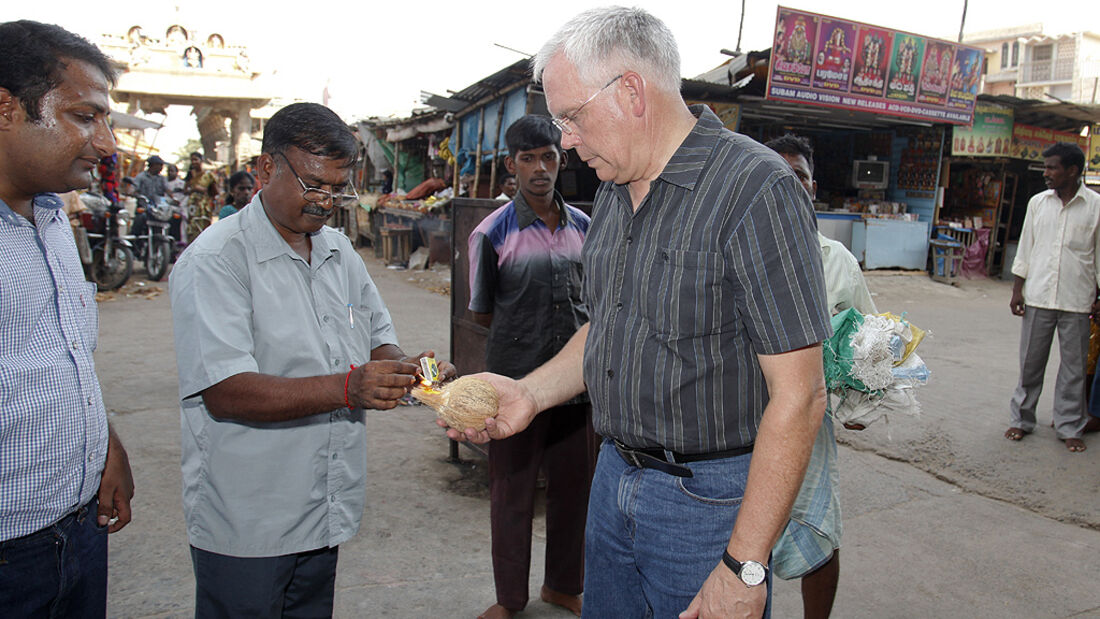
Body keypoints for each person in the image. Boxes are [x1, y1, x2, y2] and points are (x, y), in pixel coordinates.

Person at [445, 8, 831, 619]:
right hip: (614, 476)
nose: (565, 141)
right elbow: (610, 326)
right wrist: (528, 392)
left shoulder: (755, 189)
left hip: (707, 505)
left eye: (571, 118)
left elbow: (802, 395)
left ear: (630, 91)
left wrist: (744, 566)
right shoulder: (611, 190)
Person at [169, 101, 456, 618]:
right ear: (266, 168)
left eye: (338, 187)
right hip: (249, 521)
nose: (326, 202)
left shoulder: (338, 251)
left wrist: (414, 372)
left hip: (323, 508)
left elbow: (377, 343)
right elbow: (226, 390)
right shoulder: (217, 260)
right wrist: (349, 388)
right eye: (313, 184)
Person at [0, 19, 134, 616]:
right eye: (85, 117)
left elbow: (61, 355)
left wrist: (102, 441)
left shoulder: (52, 218)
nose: (107, 143)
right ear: (6, 109)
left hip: (78, 528)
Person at [467, 115, 596, 619]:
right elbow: (482, 310)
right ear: (511, 166)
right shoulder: (491, 232)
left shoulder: (586, 228)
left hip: (576, 386)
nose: (539, 169)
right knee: (511, 494)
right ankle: (509, 600)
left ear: (562, 160)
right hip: (514, 384)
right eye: (527, 159)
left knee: (574, 491)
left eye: (548, 157)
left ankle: (563, 585)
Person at [766, 134, 876, 619]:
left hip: (809, 423)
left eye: (801, 176)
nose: (792, 184)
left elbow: (869, 341)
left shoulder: (838, 262)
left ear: (813, 187)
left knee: (819, 532)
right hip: (737, 425)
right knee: (740, 537)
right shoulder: (734, 251)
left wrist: (859, 404)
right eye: (780, 173)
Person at [1005, 142, 1100, 453]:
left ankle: (1070, 424)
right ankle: (1021, 419)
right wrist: (1018, 289)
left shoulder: (1096, 207)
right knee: (1030, 364)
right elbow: (1026, 249)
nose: (1046, 173)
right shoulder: (1038, 203)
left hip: (1077, 299)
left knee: (1073, 368)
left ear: (1072, 171)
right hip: (1038, 297)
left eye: (1052, 168)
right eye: (1045, 167)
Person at [183, 151, 218, 239]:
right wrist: (193, 190)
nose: (194, 162)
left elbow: (214, 192)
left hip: (204, 205)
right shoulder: (190, 174)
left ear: (201, 160)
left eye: (196, 159)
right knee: (192, 227)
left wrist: (203, 190)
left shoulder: (208, 175)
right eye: (192, 160)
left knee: (203, 227)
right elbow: (185, 190)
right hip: (193, 205)